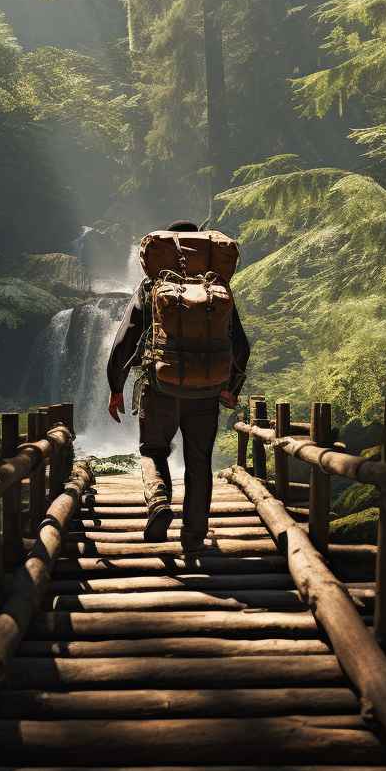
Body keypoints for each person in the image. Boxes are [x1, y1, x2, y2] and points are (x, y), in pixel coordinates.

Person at [106, 220, 251, 547]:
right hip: (208, 391)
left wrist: (116, 386)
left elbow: (126, 339)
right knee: (199, 460)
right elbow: (241, 345)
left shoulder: (153, 285)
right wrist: (232, 386)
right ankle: (194, 534)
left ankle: (158, 502)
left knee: (152, 450)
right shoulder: (216, 287)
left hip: (160, 387)